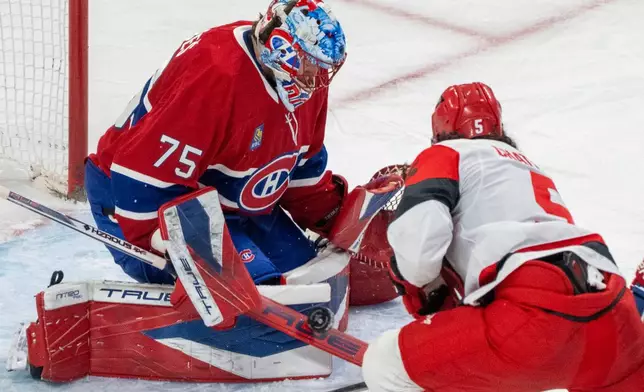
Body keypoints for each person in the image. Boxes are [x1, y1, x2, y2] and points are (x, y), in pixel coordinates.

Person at [362, 82, 644, 391]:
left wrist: (404, 273)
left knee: (384, 363)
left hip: (532, 319)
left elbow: (419, 256)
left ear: (440, 132)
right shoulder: (531, 169)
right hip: (616, 318)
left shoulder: (445, 153)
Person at [84, 0, 349, 285]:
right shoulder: (214, 74)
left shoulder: (303, 84)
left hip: (229, 200)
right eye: (310, 63)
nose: (317, 78)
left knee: (310, 280)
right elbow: (143, 174)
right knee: (264, 297)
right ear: (282, 48)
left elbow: (300, 167)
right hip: (134, 197)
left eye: (324, 67)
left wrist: (340, 220)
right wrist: (161, 237)